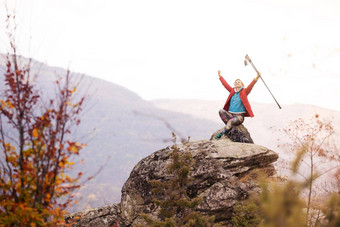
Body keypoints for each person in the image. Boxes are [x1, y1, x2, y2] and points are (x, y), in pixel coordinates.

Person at [215, 70, 261, 139]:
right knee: (221, 111)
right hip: (230, 115)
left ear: (242, 84)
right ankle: (229, 128)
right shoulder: (232, 91)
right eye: (236, 82)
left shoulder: (244, 91)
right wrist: (220, 76)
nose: (237, 83)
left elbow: (251, 85)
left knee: (230, 121)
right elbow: (225, 84)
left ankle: (222, 133)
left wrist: (257, 77)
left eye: (239, 82)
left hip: (239, 117)